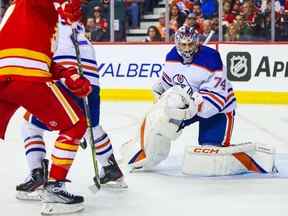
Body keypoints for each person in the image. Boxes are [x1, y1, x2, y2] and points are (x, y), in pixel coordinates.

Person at [122, 26, 276, 176]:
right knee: (161, 123)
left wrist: (191, 107)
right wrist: (160, 89)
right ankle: (146, 157)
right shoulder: (172, 57)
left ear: (197, 42)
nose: (187, 48)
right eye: (183, 44)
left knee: (209, 154)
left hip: (217, 110)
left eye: (190, 44)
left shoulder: (211, 58)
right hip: (189, 106)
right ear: (177, 44)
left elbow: (216, 100)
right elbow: (169, 83)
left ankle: (252, 157)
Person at [16, 0, 126, 202]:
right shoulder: (73, 21)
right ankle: (111, 167)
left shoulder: (45, 11)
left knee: (29, 126)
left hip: (66, 75)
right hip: (90, 76)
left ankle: (41, 177)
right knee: (89, 126)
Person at [0, 0, 92, 214]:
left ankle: (38, 176)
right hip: (27, 77)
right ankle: (55, 189)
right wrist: (63, 3)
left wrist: (70, 75)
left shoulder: (40, 19)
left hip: (5, 76)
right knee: (75, 125)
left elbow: (43, 59)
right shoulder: (30, 5)